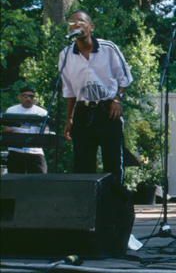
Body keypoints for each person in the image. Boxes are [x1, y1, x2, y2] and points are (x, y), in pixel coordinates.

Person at [59, 10, 133, 183]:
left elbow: (125, 77)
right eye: (72, 22)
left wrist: (117, 99)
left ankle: (114, 206)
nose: (76, 25)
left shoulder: (108, 48)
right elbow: (69, 90)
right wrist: (69, 118)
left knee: (113, 161)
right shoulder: (65, 54)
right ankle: (86, 207)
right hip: (82, 111)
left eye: (81, 21)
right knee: (82, 163)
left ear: (91, 27)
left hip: (107, 109)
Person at [3, 86, 48, 173]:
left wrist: (40, 133)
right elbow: (6, 128)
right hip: (16, 150)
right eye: (25, 96)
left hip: (35, 151)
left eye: (31, 96)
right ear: (20, 96)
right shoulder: (12, 110)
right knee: (15, 179)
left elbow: (46, 128)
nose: (28, 99)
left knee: (41, 177)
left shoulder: (42, 112)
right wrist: (13, 131)